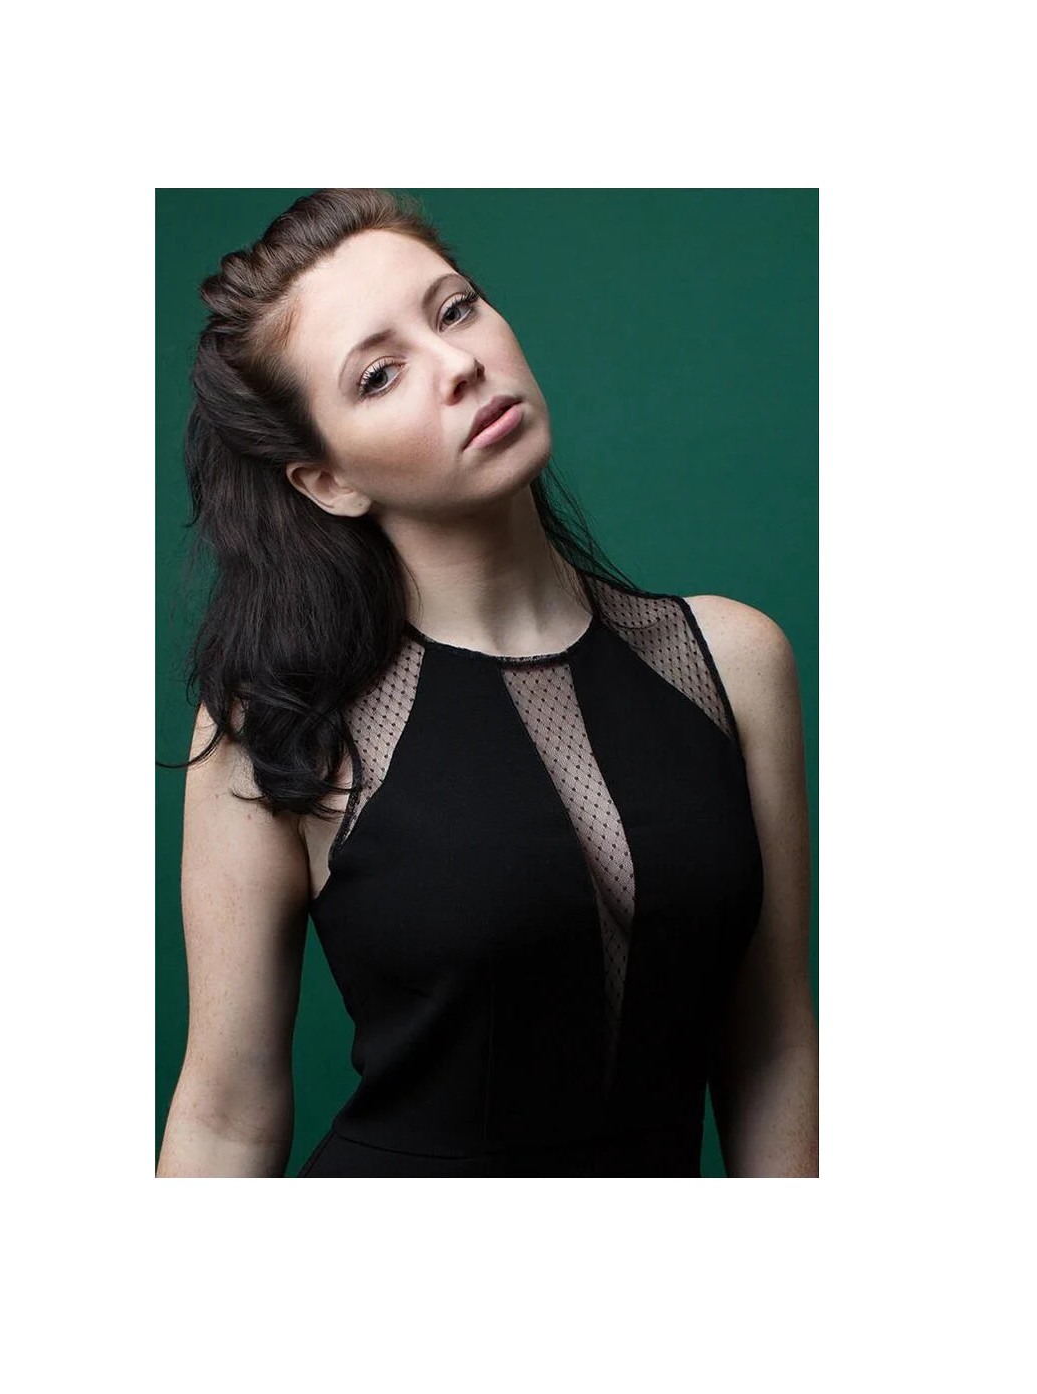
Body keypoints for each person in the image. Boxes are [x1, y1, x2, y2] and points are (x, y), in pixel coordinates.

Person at [156, 188, 818, 1178]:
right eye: (380, 374)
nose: (458, 363)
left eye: (455, 308)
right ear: (328, 480)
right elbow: (226, 1113)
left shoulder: (733, 661)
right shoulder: (279, 728)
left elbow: (772, 1046)